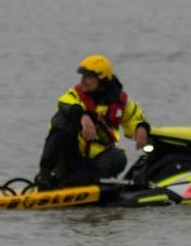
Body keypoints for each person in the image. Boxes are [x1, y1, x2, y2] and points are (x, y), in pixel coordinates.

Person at [38, 55, 151, 190]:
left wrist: (141, 128)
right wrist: (83, 116)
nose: (83, 80)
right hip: (69, 156)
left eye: (88, 77)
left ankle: (78, 182)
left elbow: (134, 118)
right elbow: (65, 104)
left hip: (95, 163)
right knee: (62, 119)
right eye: (82, 76)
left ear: (102, 80)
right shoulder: (74, 94)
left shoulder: (120, 101)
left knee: (119, 157)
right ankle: (44, 175)